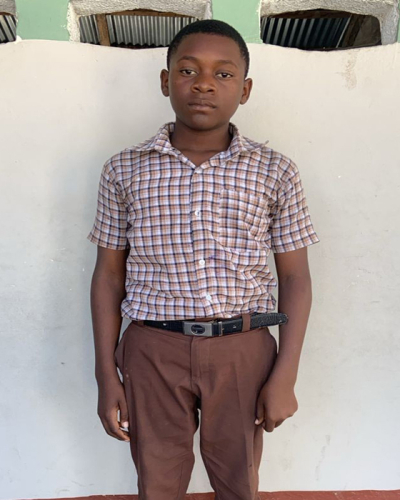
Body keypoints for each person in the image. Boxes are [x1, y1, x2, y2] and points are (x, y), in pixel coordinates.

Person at [88, 19, 319, 500]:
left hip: (243, 350)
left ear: (245, 89)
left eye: (224, 73)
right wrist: (105, 373)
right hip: (152, 349)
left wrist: (286, 373)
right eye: (188, 70)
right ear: (166, 80)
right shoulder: (124, 170)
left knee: (239, 482)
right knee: (157, 482)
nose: (204, 84)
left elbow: (295, 277)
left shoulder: (275, 171)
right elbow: (109, 275)